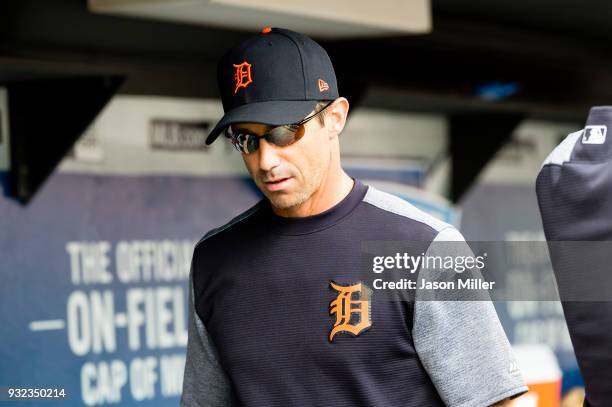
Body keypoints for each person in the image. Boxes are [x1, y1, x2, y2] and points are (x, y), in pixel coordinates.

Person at [181, 27, 527, 406]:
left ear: (334, 117)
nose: (266, 160)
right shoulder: (214, 260)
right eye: (246, 139)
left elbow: (501, 402)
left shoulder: (425, 246)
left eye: (282, 132)